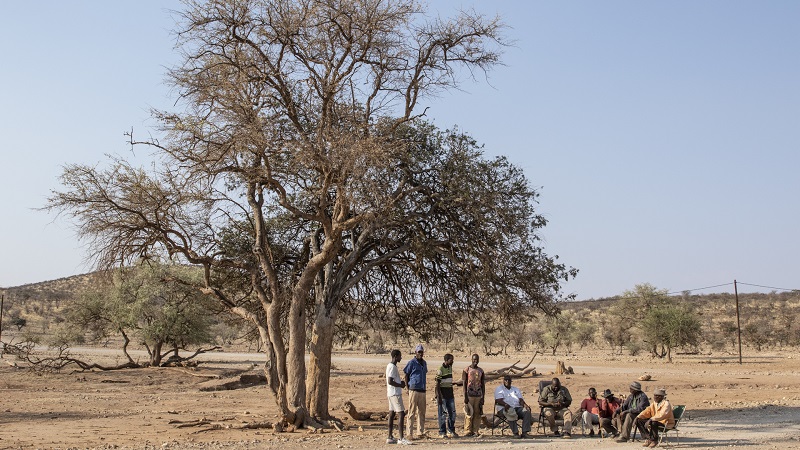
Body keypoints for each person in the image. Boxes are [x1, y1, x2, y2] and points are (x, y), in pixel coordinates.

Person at [385, 350, 412, 445]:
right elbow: (390, 381)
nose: (401, 358)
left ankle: (390, 437)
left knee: (391, 414)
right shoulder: (392, 367)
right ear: (395, 356)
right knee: (401, 414)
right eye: (400, 356)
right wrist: (400, 385)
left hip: (390, 393)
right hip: (395, 393)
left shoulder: (390, 366)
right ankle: (401, 438)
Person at [403, 344, 428, 440]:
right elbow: (406, 375)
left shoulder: (424, 363)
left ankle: (420, 432)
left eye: (422, 352)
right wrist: (407, 387)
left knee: (422, 412)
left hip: (422, 389)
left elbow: (424, 373)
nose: (421, 354)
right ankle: (409, 433)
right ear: (416, 352)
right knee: (411, 411)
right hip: (413, 389)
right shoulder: (412, 363)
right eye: (419, 352)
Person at [435, 353, 458, 438]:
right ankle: (442, 432)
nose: (452, 361)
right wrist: (439, 396)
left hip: (450, 394)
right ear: (446, 360)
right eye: (451, 360)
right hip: (443, 395)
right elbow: (437, 384)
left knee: (452, 413)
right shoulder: (440, 369)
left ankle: (451, 430)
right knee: (442, 414)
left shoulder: (450, 368)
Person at [462, 353, 485, 437]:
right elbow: (464, 383)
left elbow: (483, 384)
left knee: (477, 413)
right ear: (471, 359)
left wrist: (483, 397)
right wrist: (465, 396)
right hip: (469, 395)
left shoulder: (481, 371)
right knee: (468, 413)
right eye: (474, 359)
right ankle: (467, 430)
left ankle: (475, 430)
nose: (475, 361)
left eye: (477, 360)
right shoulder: (466, 370)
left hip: (478, 395)